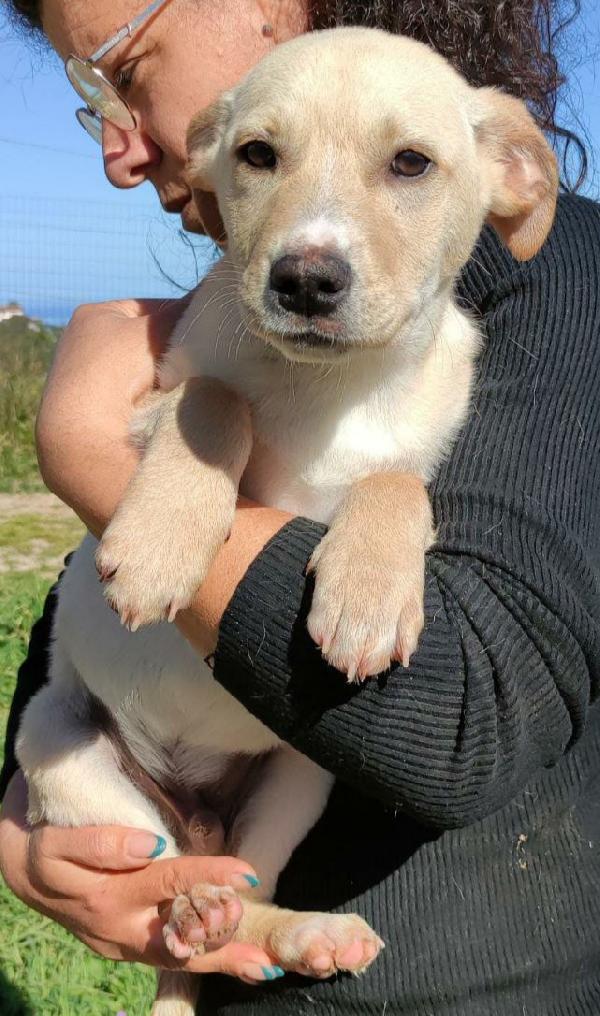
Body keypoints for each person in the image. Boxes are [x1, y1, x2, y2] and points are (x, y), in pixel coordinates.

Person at [1, 0, 600, 1012]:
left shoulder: (562, 297)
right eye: (262, 155)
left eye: (128, 69)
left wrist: (94, 456)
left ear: (512, 174)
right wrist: (22, 815)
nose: (118, 144)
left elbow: (468, 719)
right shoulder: (228, 314)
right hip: (214, 901)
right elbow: (102, 596)